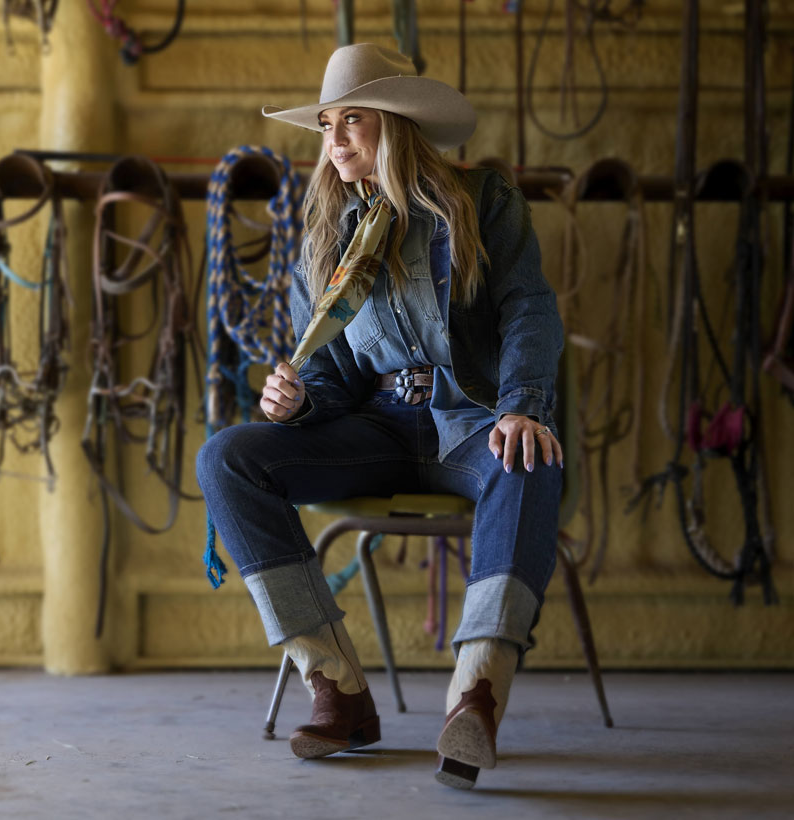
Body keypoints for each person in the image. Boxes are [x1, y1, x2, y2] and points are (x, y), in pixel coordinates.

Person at [196, 42, 564, 790]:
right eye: (326, 124)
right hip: (380, 427)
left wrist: (524, 406)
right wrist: (300, 401)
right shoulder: (328, 238)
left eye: (350, 121)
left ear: (394, 124)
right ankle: (336, 686)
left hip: (471, 421)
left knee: (528, 457)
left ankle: (476, 698)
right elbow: (331, 379)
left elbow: (530, 306)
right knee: (226, 458)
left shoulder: (483, 201)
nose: (333, 142)